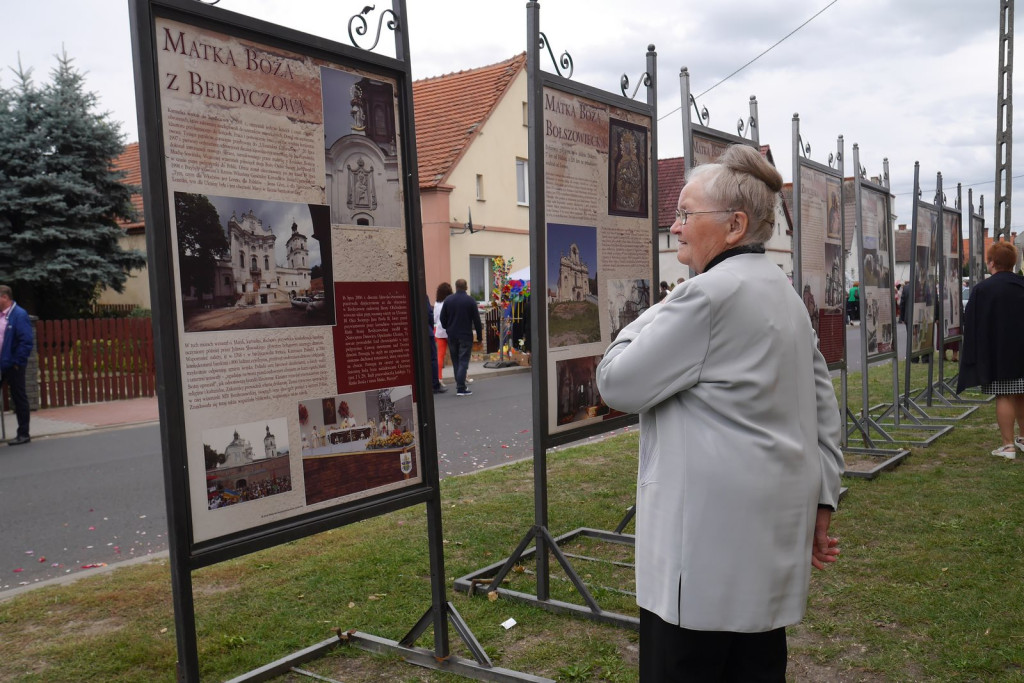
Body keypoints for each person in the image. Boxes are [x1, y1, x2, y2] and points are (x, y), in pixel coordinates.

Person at [596, 144, 844, 680]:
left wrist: (660, 307)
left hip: (701, 560)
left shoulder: (704, 297)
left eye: (686, 214)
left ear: (734, 225)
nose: (676, 227)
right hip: (763, 549)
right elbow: (821, 404)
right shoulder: (780, 289)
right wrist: (824, 499)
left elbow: (616, 381)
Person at [957, 241, 1024, 458]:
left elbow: (974, 323)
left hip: (998, 352)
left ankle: (1008, 446)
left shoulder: (983, 289)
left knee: (1004, 395)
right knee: (1022, 394)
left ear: (992, 262)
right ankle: (1023, 438)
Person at [0, 285, 34, 445]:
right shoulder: (1, 315)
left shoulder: (19, 314)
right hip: (1, 363)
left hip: (13, 364)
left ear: (5, 297)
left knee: (18, 398)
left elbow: (26, 341)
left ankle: (23, 434)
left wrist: (17, 363)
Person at [439, 279, 482, 397]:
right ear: (466, 287)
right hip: (465, 335)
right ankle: (461, 388)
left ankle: (460, 386)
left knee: (456, 361)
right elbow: (477, 320)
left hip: (452, 335)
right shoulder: (470, 301)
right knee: (463, 361)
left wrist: (447, 328)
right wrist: (479, 336)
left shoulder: (448, 300)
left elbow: (442, 318)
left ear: (456, 287)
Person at [433, 282, 453, 385]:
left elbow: (435, 319)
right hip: (450, 331)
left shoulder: (437, 303)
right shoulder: (450, 302)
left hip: (440, 331)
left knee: (440, 355)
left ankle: (439, 378)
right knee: (456, 355)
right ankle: (463, 376)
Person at [426, 294, 445, 394]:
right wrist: (431, 328)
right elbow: (429, 314)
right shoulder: (422, 294)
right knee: (433, 358)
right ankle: (435, 384)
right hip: (428, 332)